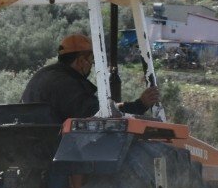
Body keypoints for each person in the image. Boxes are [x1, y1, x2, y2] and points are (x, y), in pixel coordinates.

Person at [21, 34, 159, 124]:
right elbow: (99, 114)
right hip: (57, 151)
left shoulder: (43, 76)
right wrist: (139, 105)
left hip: (34, 150)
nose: (91, 66)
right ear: (81, 60)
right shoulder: (66, 84)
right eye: (91, 60)